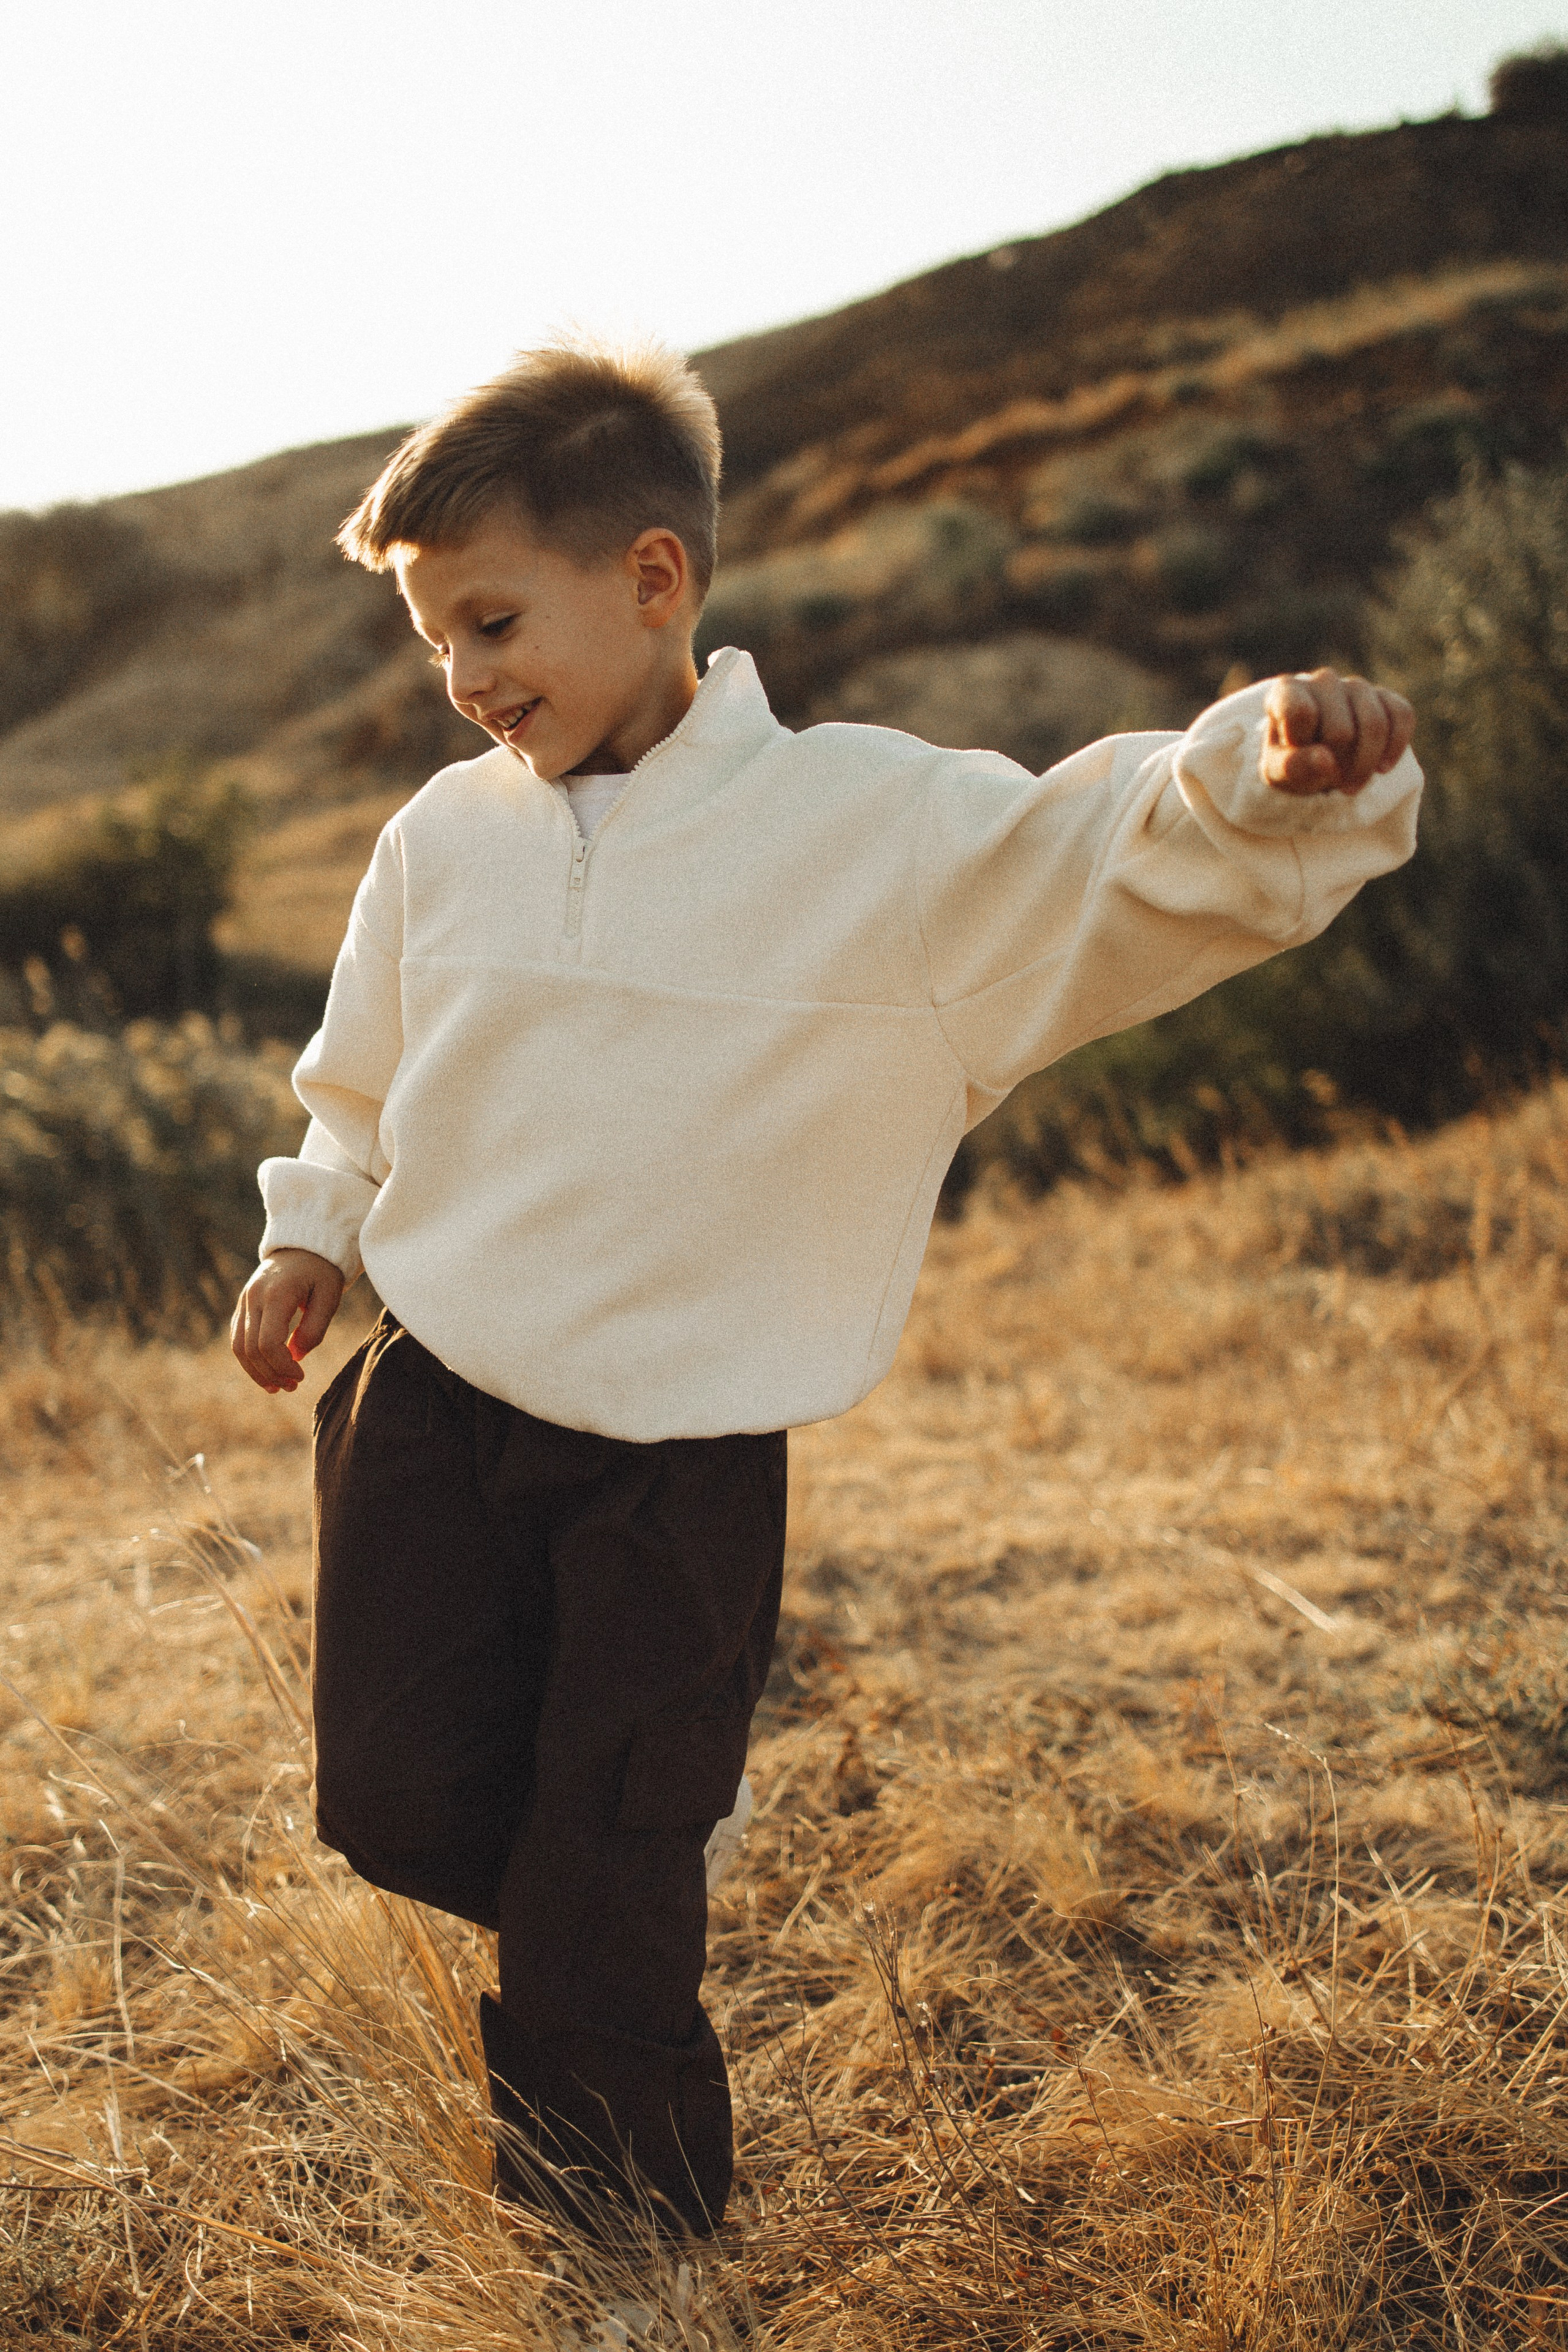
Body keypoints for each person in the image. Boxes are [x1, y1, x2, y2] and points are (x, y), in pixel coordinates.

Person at [230, 338, 1420, 2239]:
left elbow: (1092, 850)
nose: (461, 680)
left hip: (678, 1459)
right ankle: (585, 1916)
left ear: (654, 579)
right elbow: (357, 1073)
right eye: (433, 640)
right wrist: (313, 1230)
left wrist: (1266, 766)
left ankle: (624, 2233)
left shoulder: (869, 833)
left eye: (491, 619)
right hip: (434, 1399)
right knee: (395, 1793)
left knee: (609, 1860)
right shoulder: (438, 840)